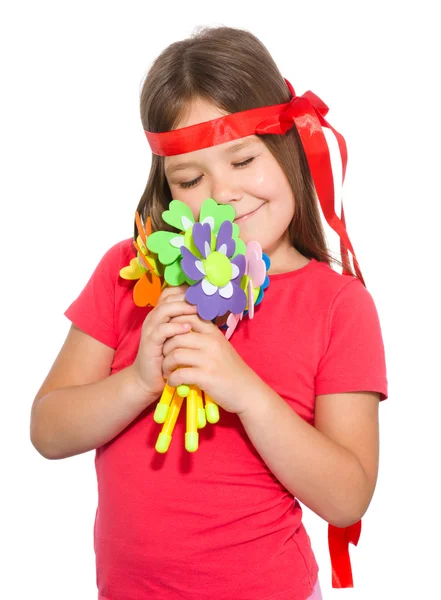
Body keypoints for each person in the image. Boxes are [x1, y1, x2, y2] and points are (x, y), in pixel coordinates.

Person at [30, 25, 388, 600]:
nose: (222, 194)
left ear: (289, 146)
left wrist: (246, 392)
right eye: (192, 179)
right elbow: (48, 430)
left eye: (243, 160)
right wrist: (140, 380)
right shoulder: (129, 272)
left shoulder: (338, 305)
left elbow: (347, 497)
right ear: (168, 189)